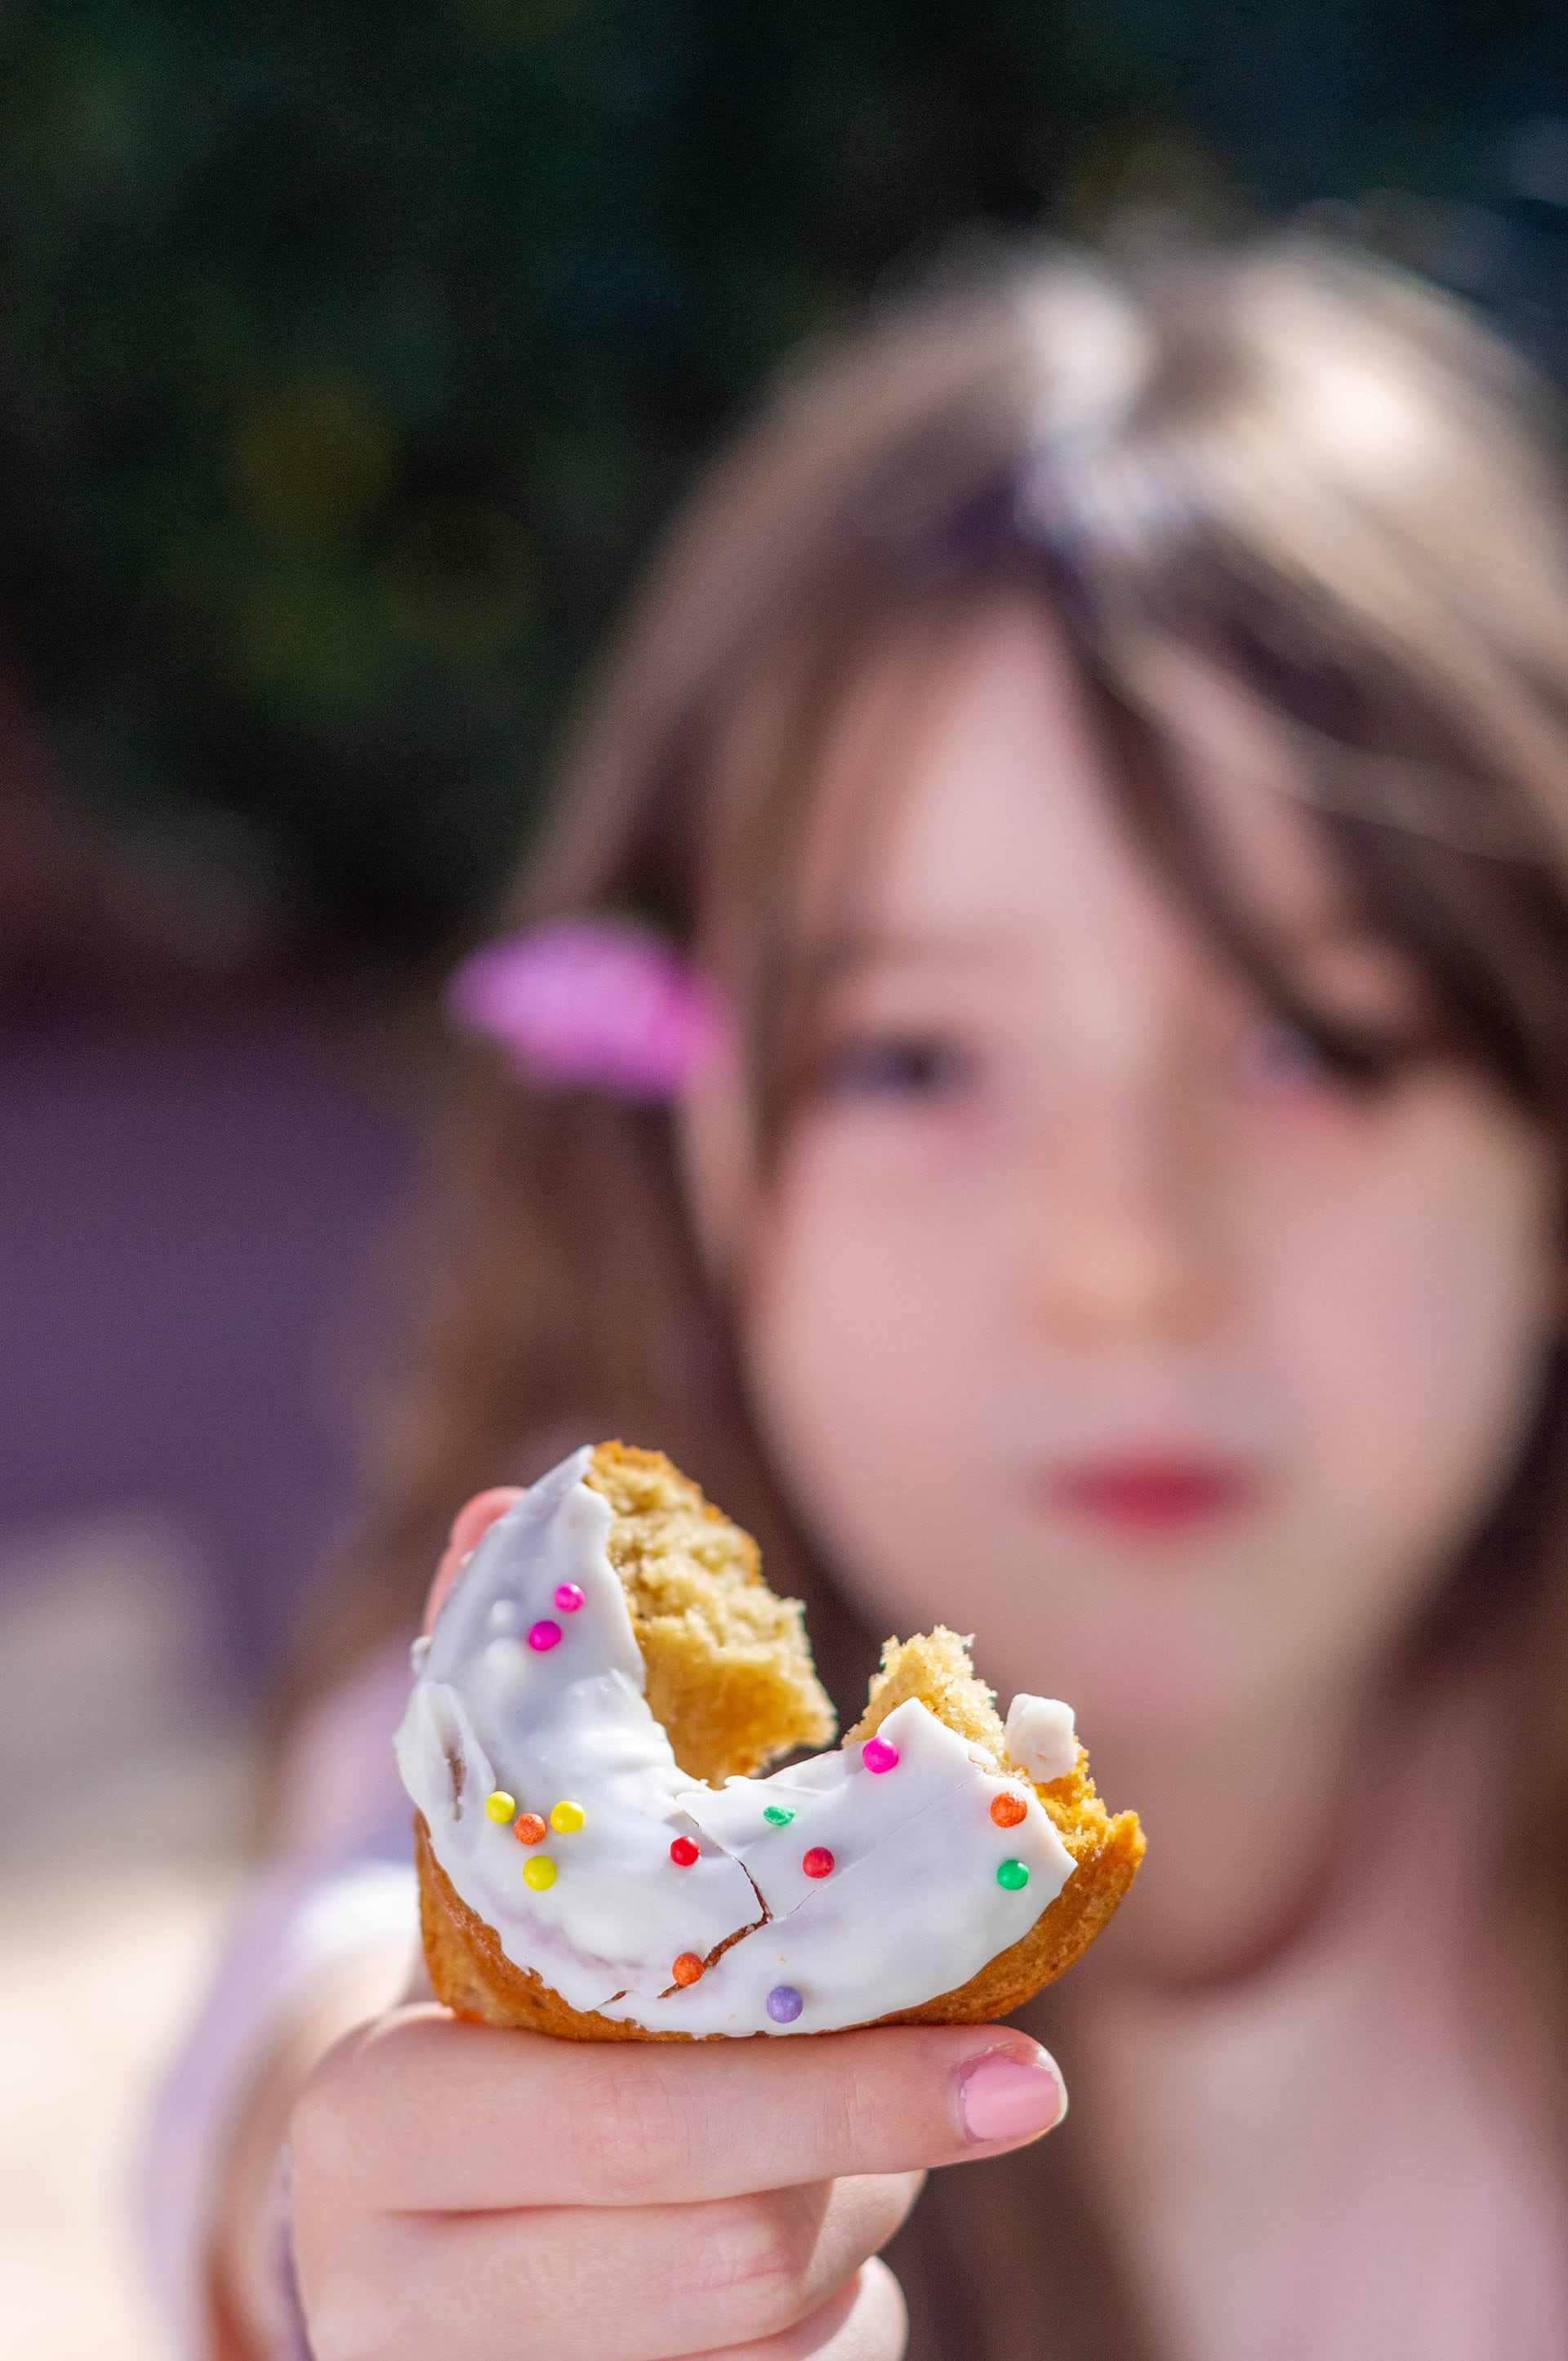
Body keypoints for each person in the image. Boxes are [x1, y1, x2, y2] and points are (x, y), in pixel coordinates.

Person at [146, 226, 1568, 2359]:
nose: (1125, 1261)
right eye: (915, 1058)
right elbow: (328, 2029)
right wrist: (402, 2229)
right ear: (685, 1157)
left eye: (1316, 1045)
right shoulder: (547, 1712)